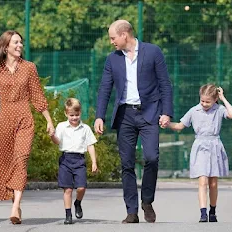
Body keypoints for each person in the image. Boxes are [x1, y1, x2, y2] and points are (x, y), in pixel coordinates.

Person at [94, 19, 173, 223]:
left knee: (152, 157)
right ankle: (131, 211)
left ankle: (147, 200)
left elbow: (165, 83)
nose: (111, 42)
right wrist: (99, 116)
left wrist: (167, 113)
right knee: (127, 164)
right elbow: (105, 88)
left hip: (149, 113)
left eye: (113, 38)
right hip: (125, 116)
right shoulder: (112, 59)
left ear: (124, 35)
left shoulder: (153, 52)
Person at [0, 30, 54, 225]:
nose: (20, 46)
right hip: (5, 121)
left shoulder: (29, 68)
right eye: (15, 42)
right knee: (8, 163)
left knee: (21, 159)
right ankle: (15, 200)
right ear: (5, 46)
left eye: (21, 43)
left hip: (24, 118)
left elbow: (37, 95)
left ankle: (15, 205)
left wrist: (49, 121)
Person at [168, 84, 232, 222]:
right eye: (202, 101)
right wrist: (167, 123)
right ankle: (203, 213)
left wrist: (222, 98)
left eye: (208, 101)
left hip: (215, 146)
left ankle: (212, 211)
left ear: (215, 99)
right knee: (203, 181)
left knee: (213, 183)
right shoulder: (194, 110)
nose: (204, 104)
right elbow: (180, 126)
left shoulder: (219, 109)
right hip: (200, 147)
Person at [50, 98, 98, 225]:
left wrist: (94, 162)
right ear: (66, 114)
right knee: (68, 189)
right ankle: (68, 214)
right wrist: (52, 135)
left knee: (81, 187)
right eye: (71, 115)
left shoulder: (85, 128)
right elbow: (57, 141)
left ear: (80, 113)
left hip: (79, 160)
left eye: (77, 115)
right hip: (66, 159)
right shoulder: (61, 126)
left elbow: (90, 145)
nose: (74, 118)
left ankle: (78, 203)